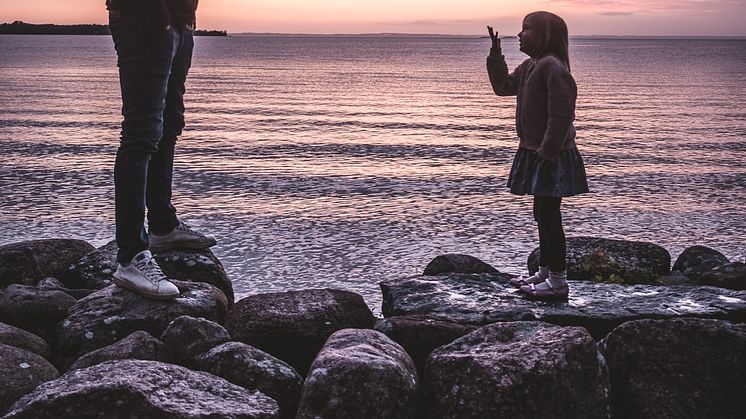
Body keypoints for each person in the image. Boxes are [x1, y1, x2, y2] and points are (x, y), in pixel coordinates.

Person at [107, 0, 216, 300]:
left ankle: (163, 225)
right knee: (140, 135)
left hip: (179, 21)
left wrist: (185, 20)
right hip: (143, 19)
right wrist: (157, 18)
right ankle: (131, 256)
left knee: (169, 125)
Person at [486, 11, 588, 300]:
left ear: (545, 36)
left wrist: (547, 151)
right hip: (535, 151)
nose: (520, 34)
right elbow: (503, 87)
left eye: (527, 29)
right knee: (541, 214)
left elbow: (561, 116)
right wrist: (496, 56)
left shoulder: (553, 68)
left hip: (549, 154)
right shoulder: (531, 65)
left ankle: (558, 282)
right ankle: (544, 271)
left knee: (549, 216)